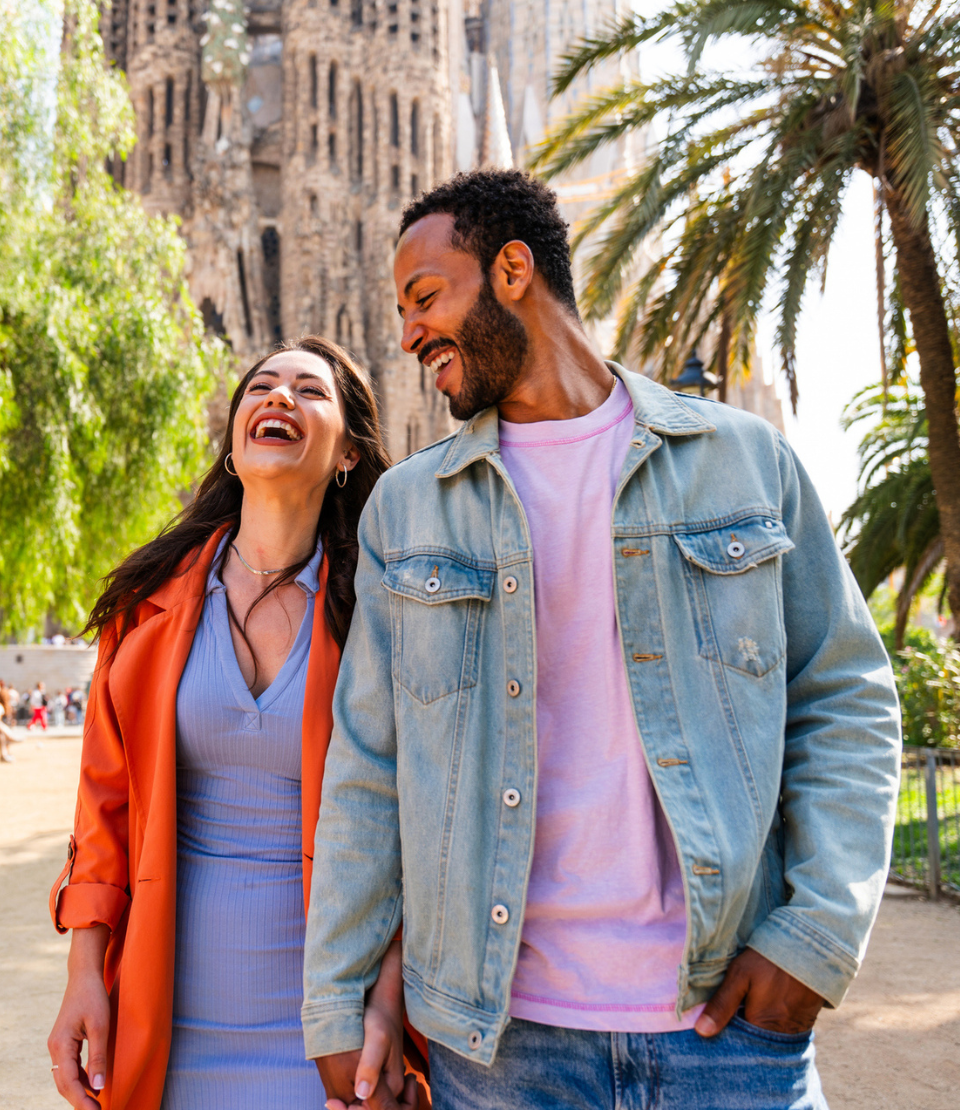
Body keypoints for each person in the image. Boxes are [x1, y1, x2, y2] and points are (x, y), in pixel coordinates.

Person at [303, 171, 902, 1110]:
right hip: (502, 1051)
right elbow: (370, 769)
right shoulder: (409, 510)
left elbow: (844, 697)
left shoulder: (742, 461)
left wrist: (815, 937)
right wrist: (338, 1004)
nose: (409, 333)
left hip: (728, 1038)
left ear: (512, 271)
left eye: (424, 298)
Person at [47, 337, 417, 1110]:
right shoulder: (145, 605)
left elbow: (417, 833)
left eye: (309, 391)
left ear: (348, 452)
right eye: (261, 386)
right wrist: (84, 972)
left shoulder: (384, 617)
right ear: (234, 438)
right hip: (163, 1022)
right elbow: (103, 808)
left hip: (327, 1033)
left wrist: (389, 997)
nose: (279, 396)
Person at [0, 678, 15, 762]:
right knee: (3, 735)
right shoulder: (4, 691)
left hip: (3, 714)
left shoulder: (3, 692)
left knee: (3, 736)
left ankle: (5, 753)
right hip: (4, 714)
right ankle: (5, 753)